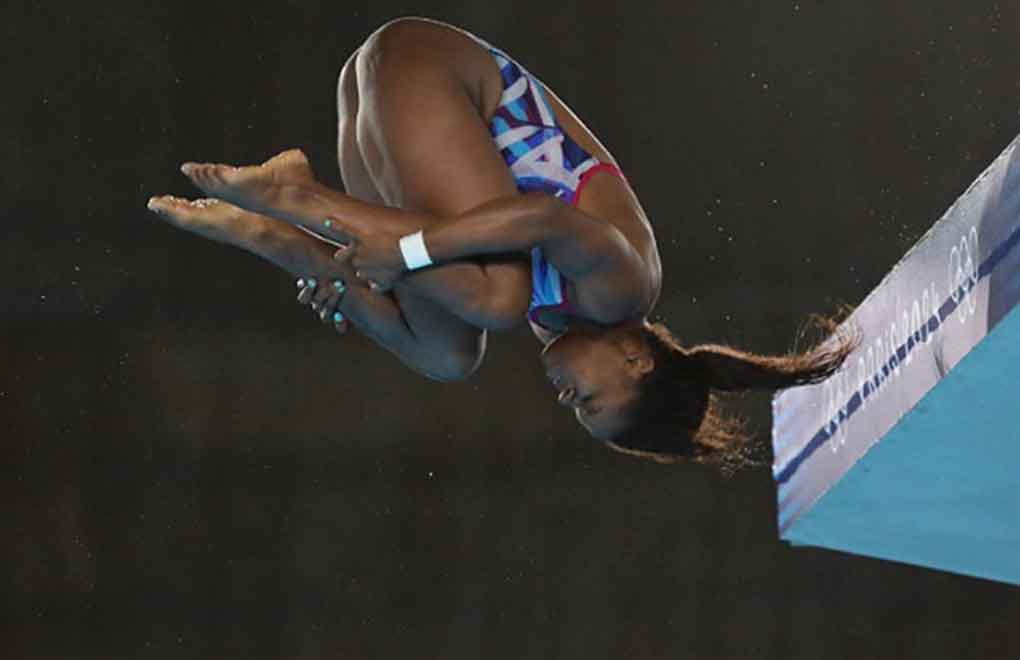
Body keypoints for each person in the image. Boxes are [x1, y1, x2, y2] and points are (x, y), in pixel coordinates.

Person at [148, 17, 858, 470]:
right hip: (427, 68)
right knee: (494, 297)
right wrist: (404, 257)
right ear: (636, 359)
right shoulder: (624, 288)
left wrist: (379, 278)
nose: (564, 399)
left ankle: (282, 241)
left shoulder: (561, 318)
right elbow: (541, 218)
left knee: (450, 355)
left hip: (379, 105)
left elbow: (438, 266)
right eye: (588, 402)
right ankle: (300, 199)